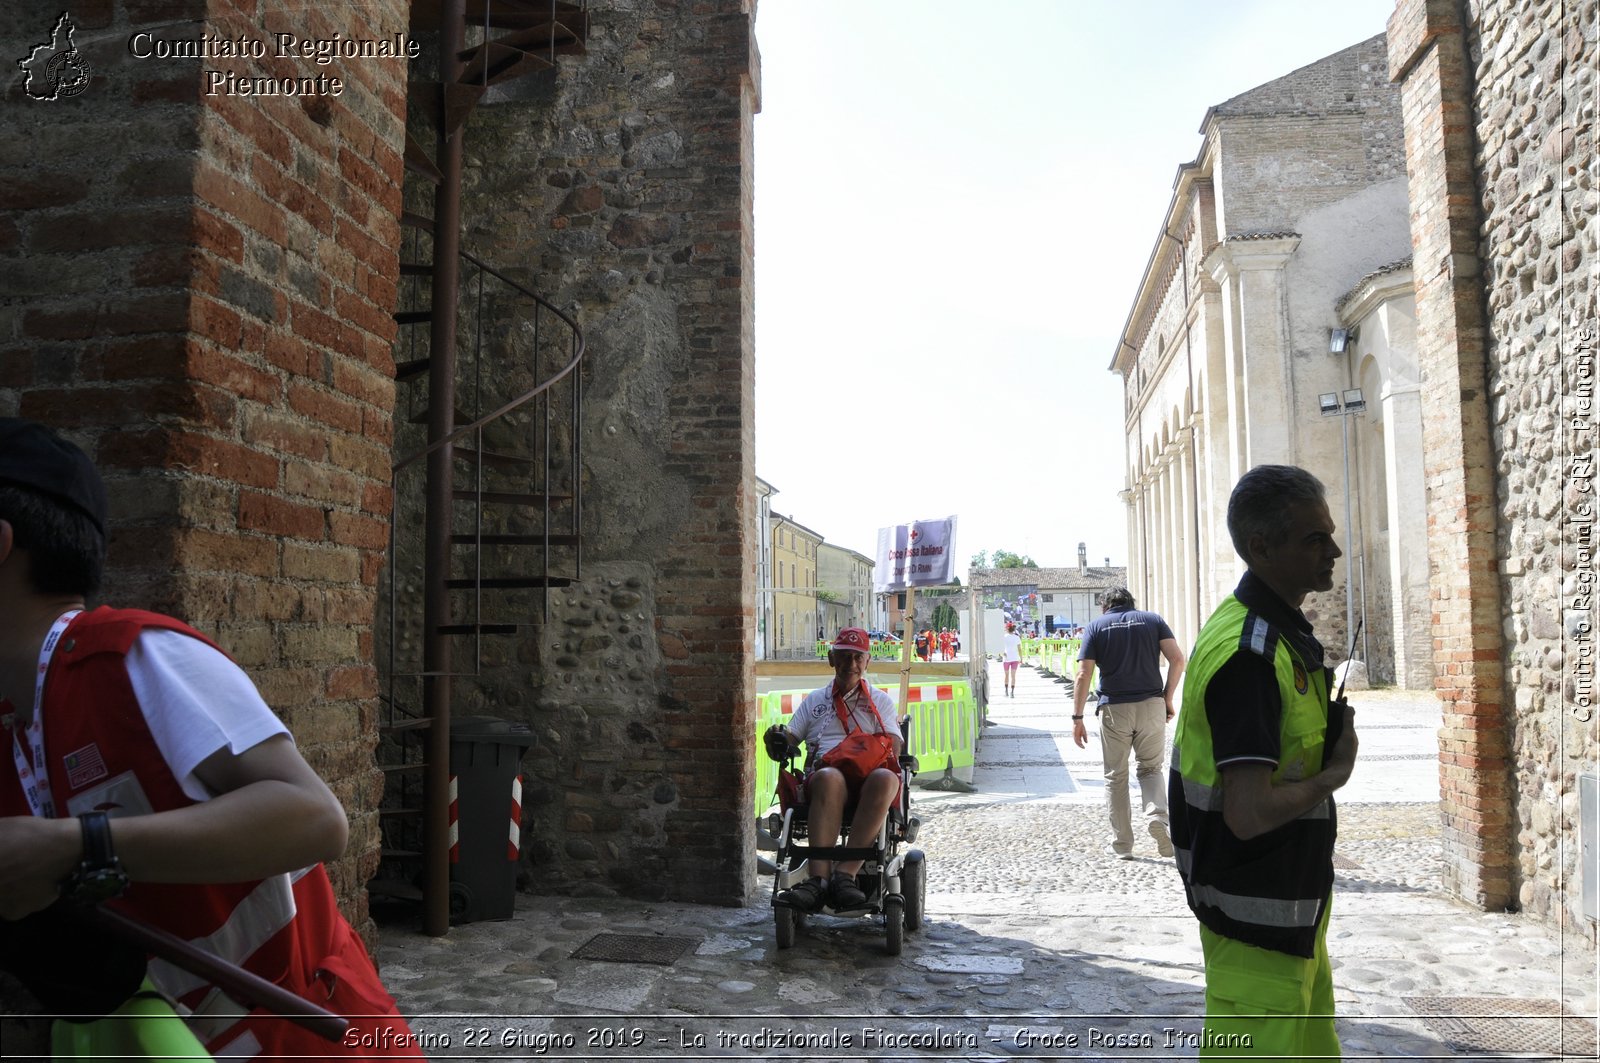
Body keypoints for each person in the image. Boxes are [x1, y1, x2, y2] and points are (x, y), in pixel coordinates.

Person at [0, 419, 417, 1058]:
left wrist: (75, 846)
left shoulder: (137, 658)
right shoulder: (15, 718)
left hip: (305, 1038)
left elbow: (312, 818)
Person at [1168, 464, 1359, 1059]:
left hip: (1290, 908)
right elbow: (1248, 814)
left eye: (1328, 534)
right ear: (1261, 547)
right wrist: (1334, 775)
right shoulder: (1250, 656)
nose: (1333, 550)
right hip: (1256, 919)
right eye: (1313, 539)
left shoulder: (1273, 635)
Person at [763, 627, 902, 912]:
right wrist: (777, 739)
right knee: (829, 777)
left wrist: (860, 752)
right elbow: (791, 737)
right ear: (831, 659)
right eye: (843, 657)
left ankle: (845, 875)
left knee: (887, 778)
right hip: (825, 776)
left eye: (856, 658)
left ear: (866, 662)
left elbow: (895, 748)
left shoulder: (880, 702)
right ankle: (819, 880)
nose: (850, 665)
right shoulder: (816, 701)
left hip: (866, 778)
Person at [1072, 587, 1185, 859]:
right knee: (1150, 769)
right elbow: (1178, 660)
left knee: (1116, 777)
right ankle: (1157, 816)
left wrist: (1077, 718)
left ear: (1105, 607)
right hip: (1151, 705)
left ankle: (1122, 845)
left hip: (1114, 708)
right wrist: (1168, 698)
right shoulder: (1153, 620)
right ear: (1132, 603)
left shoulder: (1096, 627)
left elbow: (1083, 674)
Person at [1000, 621, 1021, 696]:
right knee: (1013, 676)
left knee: (1006, 675)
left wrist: (1002, 653)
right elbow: (1019, 649)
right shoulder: (1017, 637)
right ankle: (1012, 692)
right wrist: (1021, 658)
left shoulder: (1004, 637)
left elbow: (1000, 647)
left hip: (1006, 658)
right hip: (1015, 658)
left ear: (1007, 629)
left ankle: (1006, 691)